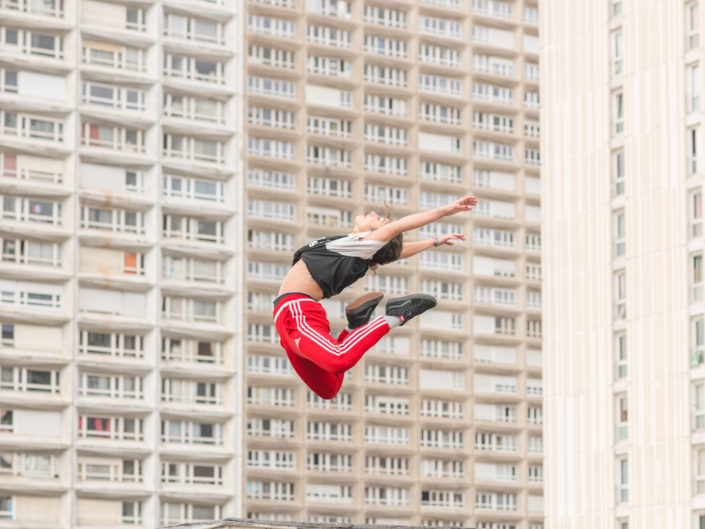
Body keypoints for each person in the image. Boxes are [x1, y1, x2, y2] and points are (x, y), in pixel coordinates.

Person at [273, 195, 478, 399]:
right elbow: (395, 252)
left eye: (378, 219)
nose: (372, 213)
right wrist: (433, 241)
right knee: (329, 388)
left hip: (296, 313)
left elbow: (397, 229)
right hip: (290, 320)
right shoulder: (354, 248)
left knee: (338, 359)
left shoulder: (355, 245)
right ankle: (355, 326)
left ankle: (394, 317)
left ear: (375, 235)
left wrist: (444, 211)